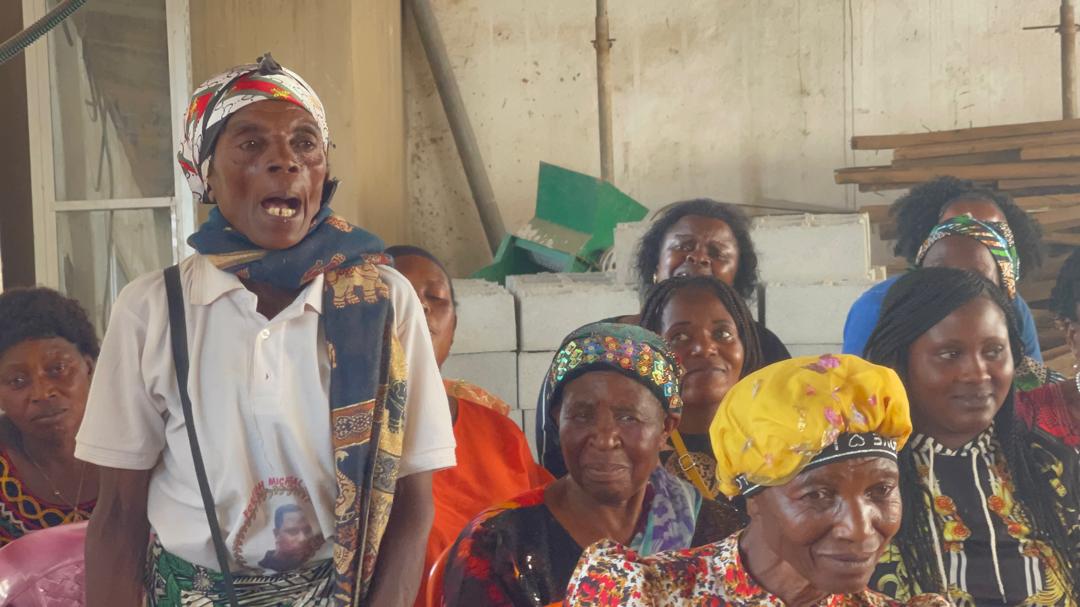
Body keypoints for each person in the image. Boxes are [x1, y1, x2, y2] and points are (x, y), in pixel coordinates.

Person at [77, 54, 456, 606]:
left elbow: (412, 502)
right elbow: (117, 514)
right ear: (205, 175)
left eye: (305, 143)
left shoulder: (382, 301)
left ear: (323, 171)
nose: (285, 161)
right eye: (251, 144)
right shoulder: (155, 309)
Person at [564, 354, 949, 607]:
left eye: (880, 490)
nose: (860, 528)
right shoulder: (643, 596)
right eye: (818, 494)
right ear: (753, 497)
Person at [442, 323, 744, 607]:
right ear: (558, 419)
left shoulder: (724, 539)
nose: (604, 438)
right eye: (581, 416)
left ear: (666, 427)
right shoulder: (499, 544)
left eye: (628, 417)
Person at [864, 267, 1080, 605]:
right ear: (899, 360)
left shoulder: (1051, 465)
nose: (977, 373)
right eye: (950, 354)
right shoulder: (861, 481)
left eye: (993, 351)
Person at [385, 244, 552, 607]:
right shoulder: (342, 436)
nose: (421, 307)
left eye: (435, 298)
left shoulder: (499, 433)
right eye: (402, 294)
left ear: (454, 327)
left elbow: (548, 535)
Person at [843, 177, 1044, 361]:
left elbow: (1031, 382)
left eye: (993, 233)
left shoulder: (1015, 311)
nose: (975, 236)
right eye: (958, 226)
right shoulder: (878, 306)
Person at [642, 276, 764, 499]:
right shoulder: (634, 449)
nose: (705, 348)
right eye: (680, 337)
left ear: (745, 346)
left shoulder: (780, 438)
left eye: (722, 334)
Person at [633, 198, 791, 364]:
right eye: (684, 246)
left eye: (716, 253)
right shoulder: (619, 341)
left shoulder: (765, 347)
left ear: (737, 276)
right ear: (656, 264)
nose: (699, 257)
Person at [0, 287, 99, 547]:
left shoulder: (140, 446)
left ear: (89, 367)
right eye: (17, 381)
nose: (42, 393)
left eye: (58, 369)